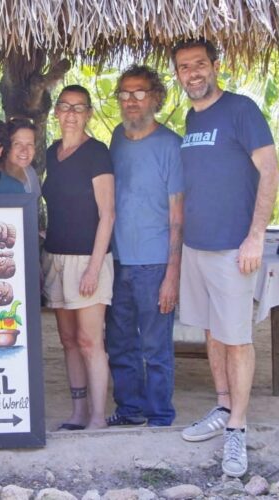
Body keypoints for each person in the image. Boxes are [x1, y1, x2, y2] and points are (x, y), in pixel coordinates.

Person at [172, 38, 279, 477]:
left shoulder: (242, 109)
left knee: (237, 338)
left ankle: (237, 428)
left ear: (215, 66)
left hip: (234, 248)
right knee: (213, 333)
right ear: (177, 75)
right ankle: (221, 406)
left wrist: (255, 237)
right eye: (184, 67)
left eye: (199, 64)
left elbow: (270, 170)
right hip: (197, 246)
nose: (192, 73)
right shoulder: (191, 117)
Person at [105, 65, 184, 428]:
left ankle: (159, 418)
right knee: (120, 344)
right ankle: (130, 410)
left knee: (155, 349)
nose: (130, 101)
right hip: (117, 260)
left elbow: (178, 216)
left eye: (139, 93)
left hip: (154, 264)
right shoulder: (117, 139)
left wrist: (172, 275)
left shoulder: (170, 145)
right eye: (124, 93)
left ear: (155, 97)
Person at [42, 85, 115, 430]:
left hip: (88, 259)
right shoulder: (51, 152)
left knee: (90, 342)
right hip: (55, 257)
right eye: (65, 107)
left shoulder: (97, 152)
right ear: (56, 111)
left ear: (87, 113)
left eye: (79, 108)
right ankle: (78, 413)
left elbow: (108, 215)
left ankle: (98, 418)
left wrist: (94, 268)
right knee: (68, 341)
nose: (71, 114)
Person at [2, 119, 41, 196]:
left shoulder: (30, 173)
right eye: (17, 144)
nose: (24, 150)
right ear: (6, 146)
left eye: (29, 144)